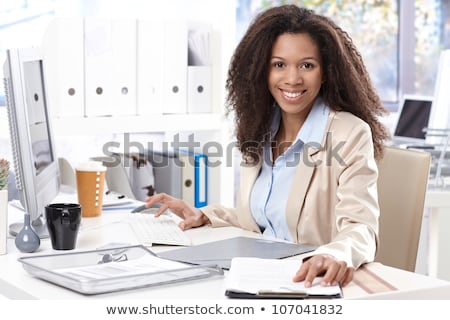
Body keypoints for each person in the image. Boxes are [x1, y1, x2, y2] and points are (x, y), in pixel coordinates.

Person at [146, 5, 390, 288]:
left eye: (307, 65)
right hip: (260, 278)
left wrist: (335, 254)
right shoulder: (260, 127)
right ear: (262, 70)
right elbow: (262, 217)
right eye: (279, 64)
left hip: (309, 284)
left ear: (325, 73)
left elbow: (361, 227)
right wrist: (204, 215)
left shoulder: (349, 132)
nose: (292, 78)